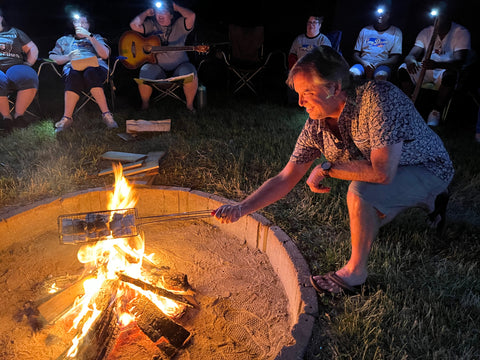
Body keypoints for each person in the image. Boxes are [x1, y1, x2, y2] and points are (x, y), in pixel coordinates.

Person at [213, 45, 454, 295]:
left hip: (428, 167)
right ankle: (433, 201)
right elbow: (286, 177)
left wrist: (327, 168)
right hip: (397, 173)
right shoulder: (316, 127)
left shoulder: (378, 97)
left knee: (361, 193)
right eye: (298, 93)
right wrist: (241, 208)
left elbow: (382, 172)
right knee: (368, 216)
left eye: (307, 92)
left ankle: (355, 274)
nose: (299, 102)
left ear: (335, 87)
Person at [398, 5, 471, 127]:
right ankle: (408, 104)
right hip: (426, 67)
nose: (437, 20)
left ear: (448, 17)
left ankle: (436, 111)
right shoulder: (426, 32)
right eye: (435, 17)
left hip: (444, 69)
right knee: (403, 69)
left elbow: (459, 61)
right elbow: (412, 54)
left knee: (450, 75)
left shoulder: (461, 33)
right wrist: (411, 60)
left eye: (441, 17)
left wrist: (437, 64)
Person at [49, 11, 118, 132]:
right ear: (73, 24)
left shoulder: (96, 37)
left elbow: (105, 55)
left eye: (83, 22)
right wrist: (67, 57)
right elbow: (52, 57)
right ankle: (67, 118)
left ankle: (107, 115)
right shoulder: (64, 40)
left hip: (96, 68)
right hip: (73, 68)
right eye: (76, 21)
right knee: (74, 73)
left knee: (89, 71)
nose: (80, 24)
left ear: (89, 25)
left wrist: (89, 36)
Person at [129, 1, 198, 112]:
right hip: (158, 67)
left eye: (164, 12)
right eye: (157, 12)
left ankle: (189, 106)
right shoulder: (152, 25)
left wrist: (176, 7)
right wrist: (146, 13)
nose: (160, 14)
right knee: (145, 70)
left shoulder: (180, 24)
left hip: (180, 66)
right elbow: (133, 25)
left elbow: (192, 16)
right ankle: (145, 104)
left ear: (171, 15)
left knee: (190, 72)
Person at [0, 8, 39, 131]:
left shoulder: (14, 32)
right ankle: (6, 117)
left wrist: (28, 63)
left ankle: (19, 116)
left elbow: (32, 48)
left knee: (29, 77)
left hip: (15, 65)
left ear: (1, 18)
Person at [349, 5, 402, 81]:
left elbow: (395, 58)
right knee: (352, 73)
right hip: (363, 62)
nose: (380, 16)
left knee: (380, 76)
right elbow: (355, 54)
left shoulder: (396, 32)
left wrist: (378, 64)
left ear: (389, 15)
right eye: (378, 13)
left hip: (382, 64)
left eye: (384, 13)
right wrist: (364, 63)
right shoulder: (365, 30)